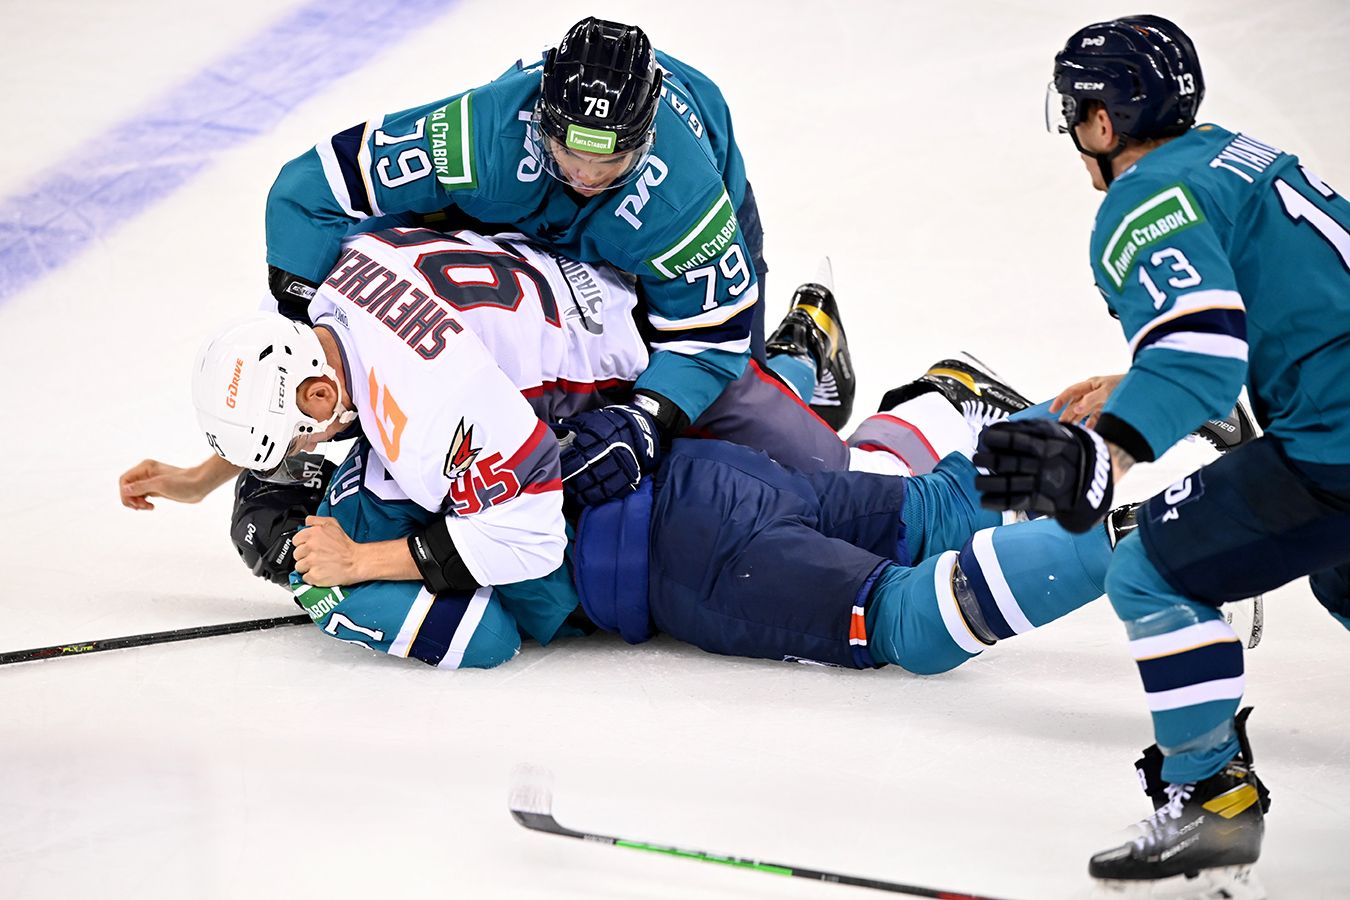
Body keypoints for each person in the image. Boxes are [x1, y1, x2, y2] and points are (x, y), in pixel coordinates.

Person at [122, 225, 1124, 675]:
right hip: (689, 451)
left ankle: (1137, 541)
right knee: (926, 508)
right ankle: (1096, 421)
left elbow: (487, 634)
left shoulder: (383, 480)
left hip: (685, 560)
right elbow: (306, 397)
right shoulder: (345, 300)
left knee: (906, 619)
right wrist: (203, 475)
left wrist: (342, 586)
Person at [973, 14, 1350, 896]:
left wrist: (1107, 452)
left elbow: (1202, 353)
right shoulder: (1243, 155)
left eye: (1076, 113)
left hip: (1337, 442)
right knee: (1341, 573)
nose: (1074, 133)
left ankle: (1211, 803)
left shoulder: (1141, 199)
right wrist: (1138, 380)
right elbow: (1287, 306)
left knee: (1150, 571)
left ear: (1104, 121)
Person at [264, 15, 856, 482]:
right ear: (541, 119)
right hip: (543, 230)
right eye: (570, 152)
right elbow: (313, 188)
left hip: (677, 232)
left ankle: (804, 349)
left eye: (611, 160)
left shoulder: (685, 202)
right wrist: (302, 315)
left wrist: (644, 418)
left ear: (645, 141)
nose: (586, 176)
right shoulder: (481, 134)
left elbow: (709, 343)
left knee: (738, 396)